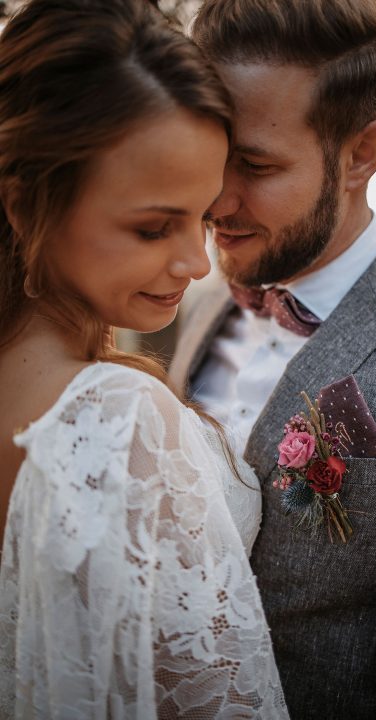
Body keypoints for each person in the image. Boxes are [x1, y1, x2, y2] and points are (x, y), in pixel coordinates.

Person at [169, 0, 376, 718]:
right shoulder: (198, 299)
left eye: (254, 164)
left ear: (362, 154)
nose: (215, 200)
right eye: (210, 158)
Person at [0, 1, 290, 717]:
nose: (196, 261)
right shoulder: (112, 416)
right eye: (154, 227)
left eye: (202, 216)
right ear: (23, 203)